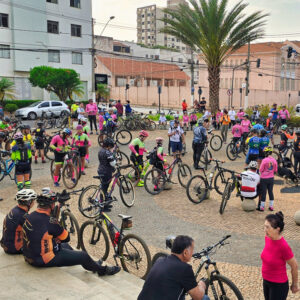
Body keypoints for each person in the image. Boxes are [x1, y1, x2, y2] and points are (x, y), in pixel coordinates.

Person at [22, 190, 120, 276]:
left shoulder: (30, 216)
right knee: (83, 255)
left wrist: (54, 237)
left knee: (66, 246)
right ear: (52, 205)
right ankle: (102, 270)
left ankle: (93, 265)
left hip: (30, 256)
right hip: (43, 259)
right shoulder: (50, 221)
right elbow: (66, 237)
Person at [138, 235, 207, 300]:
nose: (193, 253)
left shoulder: (160, 260)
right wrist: (202, 284)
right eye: (192, 250)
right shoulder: (185, 268)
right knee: (205, 298)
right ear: (185, 253)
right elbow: (198, 296)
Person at [261, 212, 299, 300]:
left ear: (277, 229)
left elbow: (294, 265)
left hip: (278, 286)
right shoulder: (268, 238)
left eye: (267, 227)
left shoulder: (283, 246)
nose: (264, 230)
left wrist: (294, 284)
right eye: (264, 226)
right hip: (266, 281)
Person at [0, 189, 37, 254]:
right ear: (29, 202)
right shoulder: (23, 216)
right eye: (33, 200)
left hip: (6, 245)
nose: (34, 202)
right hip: (15, 248)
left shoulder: (15, 210)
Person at [97, 138, 117, 210]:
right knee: (105, 188)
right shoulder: (107, 152)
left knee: (103, 187)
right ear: (108, 146)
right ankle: (103, 206)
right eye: (111, 146)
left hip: (100, 169)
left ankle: (105, 204)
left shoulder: (101, 151)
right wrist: (115, 160)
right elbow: (112, 163)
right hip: (106, 171)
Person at [258, 147, 278, 212]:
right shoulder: (274, 160)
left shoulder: (264, 160)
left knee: (263, 192)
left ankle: (262, 207)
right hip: (271, 178)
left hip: (264, 178)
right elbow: (275, 170)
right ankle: (271, 206)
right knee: (270, 192)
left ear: (265, 153)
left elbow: (260, 169)